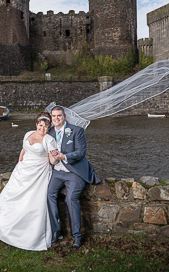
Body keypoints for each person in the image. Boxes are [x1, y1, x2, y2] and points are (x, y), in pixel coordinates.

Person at [0, 112, 59, 251]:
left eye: (45, 126)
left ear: (49, 127)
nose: (42, 128)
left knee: (31, 202)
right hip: (22, 171)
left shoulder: (49, 140)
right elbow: (24, 149)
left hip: (38, 173)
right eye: (40, 125)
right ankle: (3, 228)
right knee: (11, 197)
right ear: (36, 124)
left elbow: (52, 160)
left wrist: (57, 157)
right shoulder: (28, 134)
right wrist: (20, 161)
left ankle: (28, 236)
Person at [47, 105, 101, 250]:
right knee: (48, 195)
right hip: (57, 172)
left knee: (70, 199)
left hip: (74, 172)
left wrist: (63, 156)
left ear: (64, 116)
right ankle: (56, 230)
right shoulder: (49, 132)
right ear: (51, 118)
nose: (56, 118)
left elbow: (81, 152)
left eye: (59, 115)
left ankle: (76, 236)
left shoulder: (77, 130)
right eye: (54, 116)